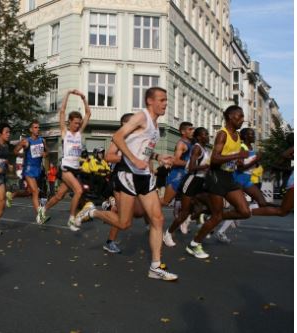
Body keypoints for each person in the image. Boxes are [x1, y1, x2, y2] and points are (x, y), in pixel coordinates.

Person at [76, 87, 178, 281]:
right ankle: (93, 212)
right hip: (129, 175)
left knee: (158, 219)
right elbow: (116, 138)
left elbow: (143, 149)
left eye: (166, 100)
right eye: (162, 100)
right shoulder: (141, 117)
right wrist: (133, 159)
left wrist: (158, 156)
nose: (165, 103)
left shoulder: (155, 125)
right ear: (150, 101)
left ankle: (155, 266)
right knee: (124, 223)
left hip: (144, 176)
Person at [186, 105, 251, 259]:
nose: (242, 120)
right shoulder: (222, 134)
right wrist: (236, 156)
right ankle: (194, 244)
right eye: (239, 116)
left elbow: (232, 157)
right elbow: (215, 159)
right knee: (217, 216)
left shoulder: (237, 136)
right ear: (230, 117)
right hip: (216, 177)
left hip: (229, 177)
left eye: (242, 117)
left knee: (245, 212)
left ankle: (212, 215)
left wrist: (239, 161)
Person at [36, 89, 91, 230]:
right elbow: (62, 111)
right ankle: (72, 219)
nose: (78, 125)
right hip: (65, 168)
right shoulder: (65, 133)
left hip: (74, 169)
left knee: (59, 196)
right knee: (78, 191)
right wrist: (68, 94)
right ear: (69, 122)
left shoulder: (79, 134)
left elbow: (88, 114)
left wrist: (84, 98)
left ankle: (42, 210)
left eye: (79, 123)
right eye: (75, 123)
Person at [163, 127, 210, 247]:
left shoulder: (205, 149)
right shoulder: (197, 148)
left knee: (210, 206)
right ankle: (168, 233)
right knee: (184, 211)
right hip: (191, 181)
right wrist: (205, 167)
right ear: (199, 137)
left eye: (208, 134)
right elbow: (191, 168)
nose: (208, 136)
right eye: (205, 134)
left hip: (200, 181)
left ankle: (190, 219)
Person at [12, 120, 49, 220]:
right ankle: (40, 216)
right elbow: (15, 151)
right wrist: (21, 154)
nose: (38, 129)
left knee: (29, 192)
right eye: (36, 127)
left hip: (37, 170)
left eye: (39, 127)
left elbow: (47, 152)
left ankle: (13, 194)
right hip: (28, 169)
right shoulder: (26, 141)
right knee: (35, 192)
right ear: (31, 130)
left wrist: (45, 154)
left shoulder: (42, 140)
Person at [161, 122, 194, 207]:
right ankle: (145, 206)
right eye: (190, 129)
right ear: (183, 132)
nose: (193, 131)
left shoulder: (192, 143)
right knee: (165, 202)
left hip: (187, 175)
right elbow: (175, 161)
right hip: (177, 176)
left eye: (193, 129)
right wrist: (191, 164)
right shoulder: (181, 144)